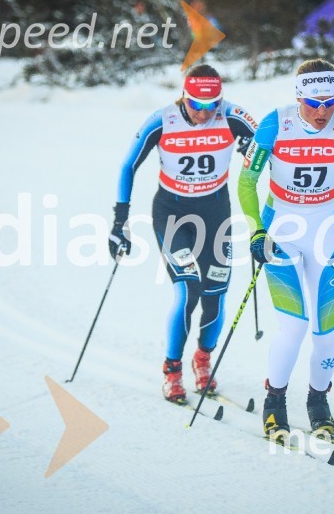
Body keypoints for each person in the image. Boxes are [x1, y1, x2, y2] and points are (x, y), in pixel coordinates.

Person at [237, 58, 334, 439]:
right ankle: (274, 402)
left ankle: (318, 400)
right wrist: (257, 230)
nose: (323, 111)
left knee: (328, 333)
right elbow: (246, 183)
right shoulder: (276, 124)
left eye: (330, 101)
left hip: (327, 233)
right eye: (314, 103)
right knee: (294, 326)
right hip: (282, 232)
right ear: (299, 96)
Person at [109, 65, 258, 404]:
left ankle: (202, 359)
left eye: (212, 106)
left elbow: (270, 143)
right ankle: (172, 369)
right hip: (172, 213)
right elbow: (127, 165)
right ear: (184, 97)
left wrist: (254, 147)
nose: (205, 113)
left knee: (216, 293)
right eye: (196, 105)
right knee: (188, 288)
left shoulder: (233, 115)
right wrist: (120, 221)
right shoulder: (162, 120)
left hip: (215, 212)